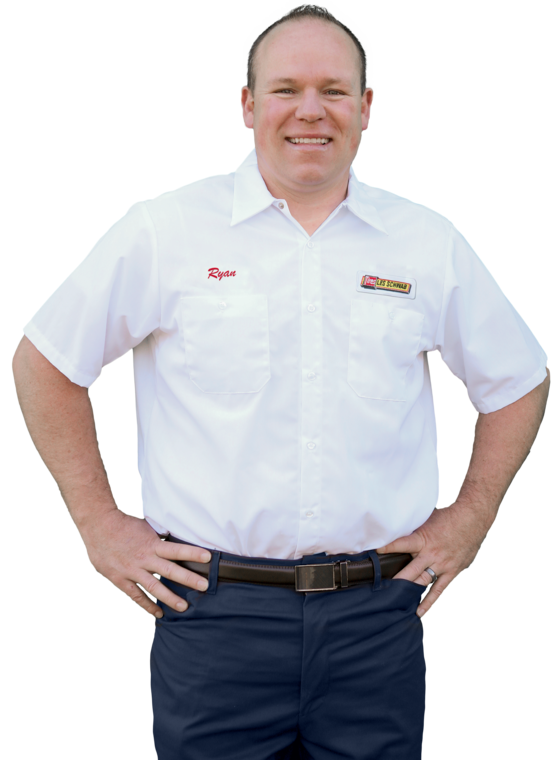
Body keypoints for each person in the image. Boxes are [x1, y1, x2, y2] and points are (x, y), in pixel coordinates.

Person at [11, 4, 550, 760]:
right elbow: (44, 362)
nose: (310, 111)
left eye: (334, 90)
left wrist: (472, 515)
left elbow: (518, 379)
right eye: (286, 89)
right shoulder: (166, 229)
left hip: (380, 619)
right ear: (247, 104)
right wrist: (99, 525)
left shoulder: (426, 241)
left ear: (366, 107)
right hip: (211, 616)